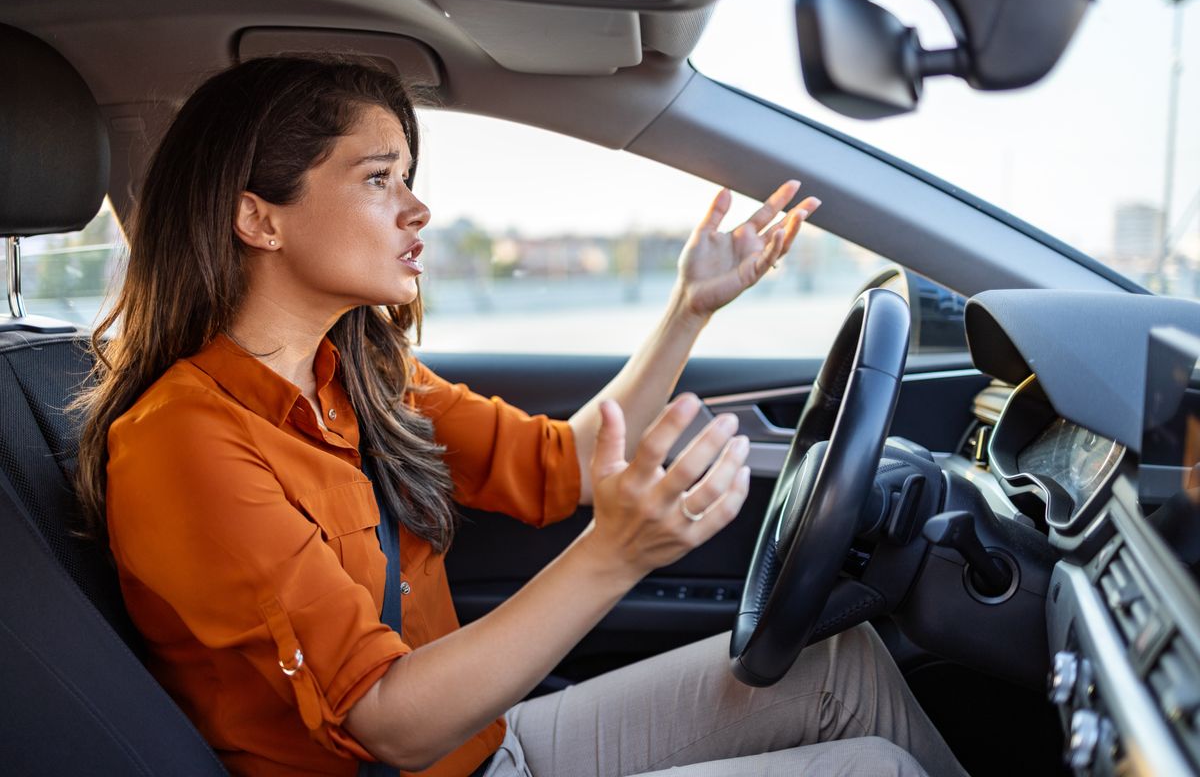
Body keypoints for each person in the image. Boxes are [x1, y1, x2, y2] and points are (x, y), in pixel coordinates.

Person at [73, 56, 967, 777]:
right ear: (258, 220)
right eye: (380, 179)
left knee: (844, 666)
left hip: (494, 747)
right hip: (429, 762)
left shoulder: (363, 378)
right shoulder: (182, 443)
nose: (418, 209)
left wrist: (691, 307)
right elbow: (389, 725)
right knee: (872, 767)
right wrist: (616, 554)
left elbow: (567, 465)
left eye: (409, 178)